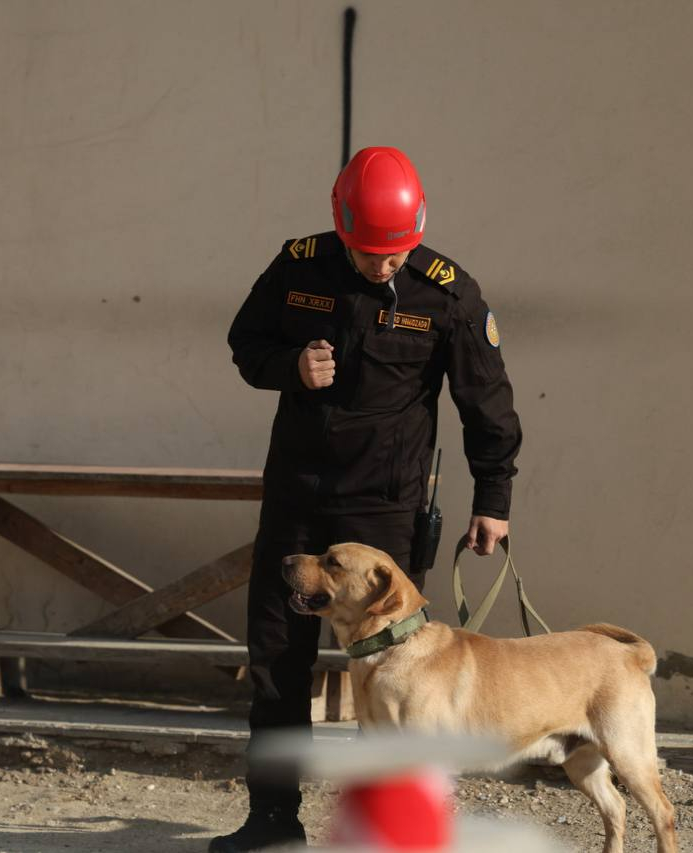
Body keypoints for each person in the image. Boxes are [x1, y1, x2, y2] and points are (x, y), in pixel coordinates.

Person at [211, 146, 523, 852]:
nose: (384, 265)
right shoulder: (297, 267)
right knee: (277, 661)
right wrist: (288, 365)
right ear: (341, 228)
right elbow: (243, 342)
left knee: (399, 680)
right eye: (370, 252)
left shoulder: (445, 292)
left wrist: (492, 497)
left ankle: (394, 830)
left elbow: (489, 404)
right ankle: (271, 819)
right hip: (298, 499)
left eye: (396, 252)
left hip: (385, 509)